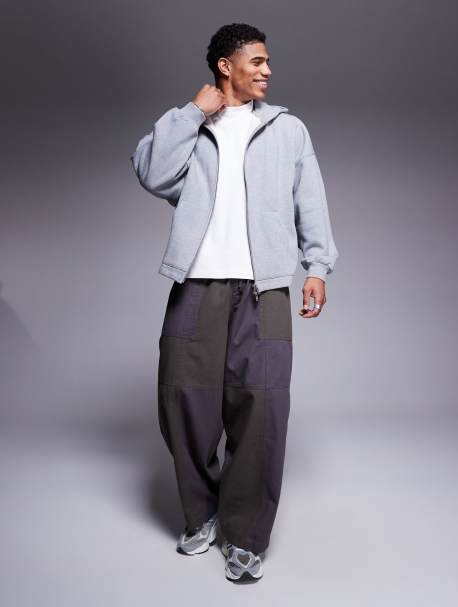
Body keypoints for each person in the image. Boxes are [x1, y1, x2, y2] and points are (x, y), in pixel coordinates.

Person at [130, 22, 339, 584]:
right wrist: (190, 113)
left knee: (262, 409)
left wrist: (317, 267)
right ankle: (201, 514)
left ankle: (245, 536)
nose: (268, 70)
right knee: (182, 402)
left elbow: (310, 199)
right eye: (258, 61)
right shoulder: (193, 127)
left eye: (268, 61)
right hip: (197, 283)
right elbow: (151, 172)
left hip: (264, 288)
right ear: (226, 66)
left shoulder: (287, 129)